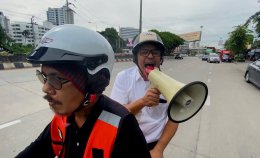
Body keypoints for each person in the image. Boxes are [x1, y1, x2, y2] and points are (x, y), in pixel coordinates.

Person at [16, 25, 151, 158]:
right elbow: (37, 149)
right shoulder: (62, 119)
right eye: (44, 77)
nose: (45, 88)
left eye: (56, 78)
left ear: (93, 82)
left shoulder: (122, 127)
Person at [110, 32, 179, 158]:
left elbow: (175, 119)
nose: (150, 56)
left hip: (153, 146)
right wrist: (142, 102)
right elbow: (115, 115)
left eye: (155, 52)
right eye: (144, 52)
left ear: (161, 57)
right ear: (136, 58)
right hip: (125, 144)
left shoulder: (170, 84)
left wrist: (159, 149)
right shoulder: (123, 78)